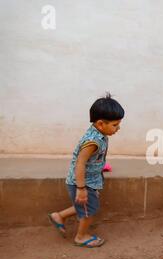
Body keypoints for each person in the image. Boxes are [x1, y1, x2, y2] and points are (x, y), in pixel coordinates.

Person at [48, 93, 124, 247]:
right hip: (82, 182)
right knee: (89, 211)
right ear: (101, 123)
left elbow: (91, 159)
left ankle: (59, 216)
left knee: (85, 206)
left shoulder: (100, 133)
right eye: (115, 125)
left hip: (89, 179)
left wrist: (100, 166)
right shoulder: (93, 141)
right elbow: (80, 163)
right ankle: (81, 237)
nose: (118, 128)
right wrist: (81, 188)